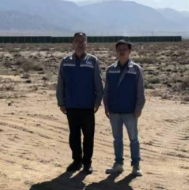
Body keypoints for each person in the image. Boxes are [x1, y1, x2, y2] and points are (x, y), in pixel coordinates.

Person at [56, 32, 103, 175]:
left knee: (88, 136)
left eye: (83, 41)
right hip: (71, 105)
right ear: (73, 43)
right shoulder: (65, 61)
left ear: (86, 43)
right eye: (77, 41)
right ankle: (76, 161)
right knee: (74, 135)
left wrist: (98, 101)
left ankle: (87, 163)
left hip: (88, 105)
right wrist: (61, 102)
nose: (80, 44)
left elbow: (98, 82)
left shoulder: (92, 61)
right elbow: (61, 83)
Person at [103, 39, 145, 177]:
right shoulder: (111, 69)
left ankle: (136, 165)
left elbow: (140, 91)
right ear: (116, 52)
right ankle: (118, 164)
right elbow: (106, 90)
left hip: (130, 111)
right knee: (117, 139)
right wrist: (106, 106)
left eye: (124, 49)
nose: (122, 52)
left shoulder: (136, 69)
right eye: (119, 49)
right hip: (114, 111)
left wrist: (139, 108)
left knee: (133, 138)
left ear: (129, 51)